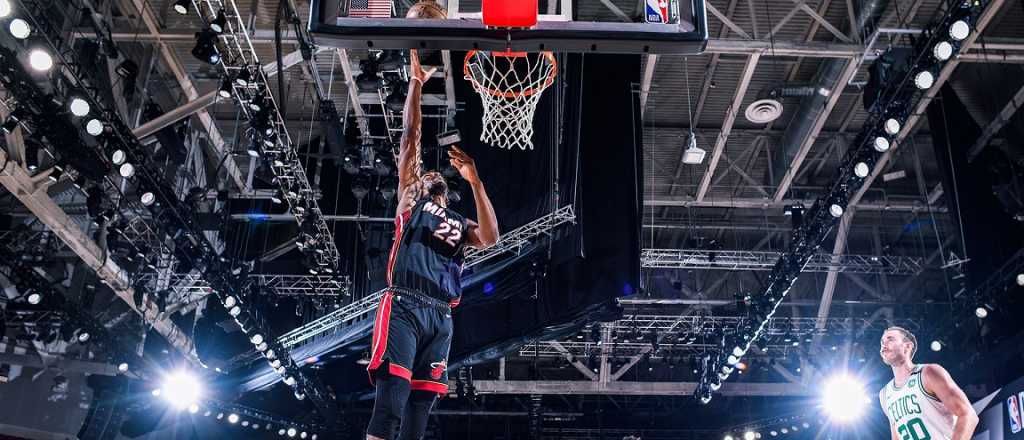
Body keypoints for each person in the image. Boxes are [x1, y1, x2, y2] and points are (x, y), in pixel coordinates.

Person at [364, 21, 499, 440]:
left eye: (432, 177)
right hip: (404, 304)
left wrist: (477, 182)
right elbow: (409, 138)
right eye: (423, 176)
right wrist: (416, 86)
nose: (429, 176)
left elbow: (492, 238)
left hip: (441, 315)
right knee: (392, 400)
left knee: (420, 411)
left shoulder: (459, 223)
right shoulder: (411, 202)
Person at [879, 326, 978, 440]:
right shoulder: (885, 395)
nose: (884, 344)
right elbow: (897, 437)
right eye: (882, 342)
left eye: (890, 339)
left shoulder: (928, 373)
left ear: (907, 346)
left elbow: (968, 414)